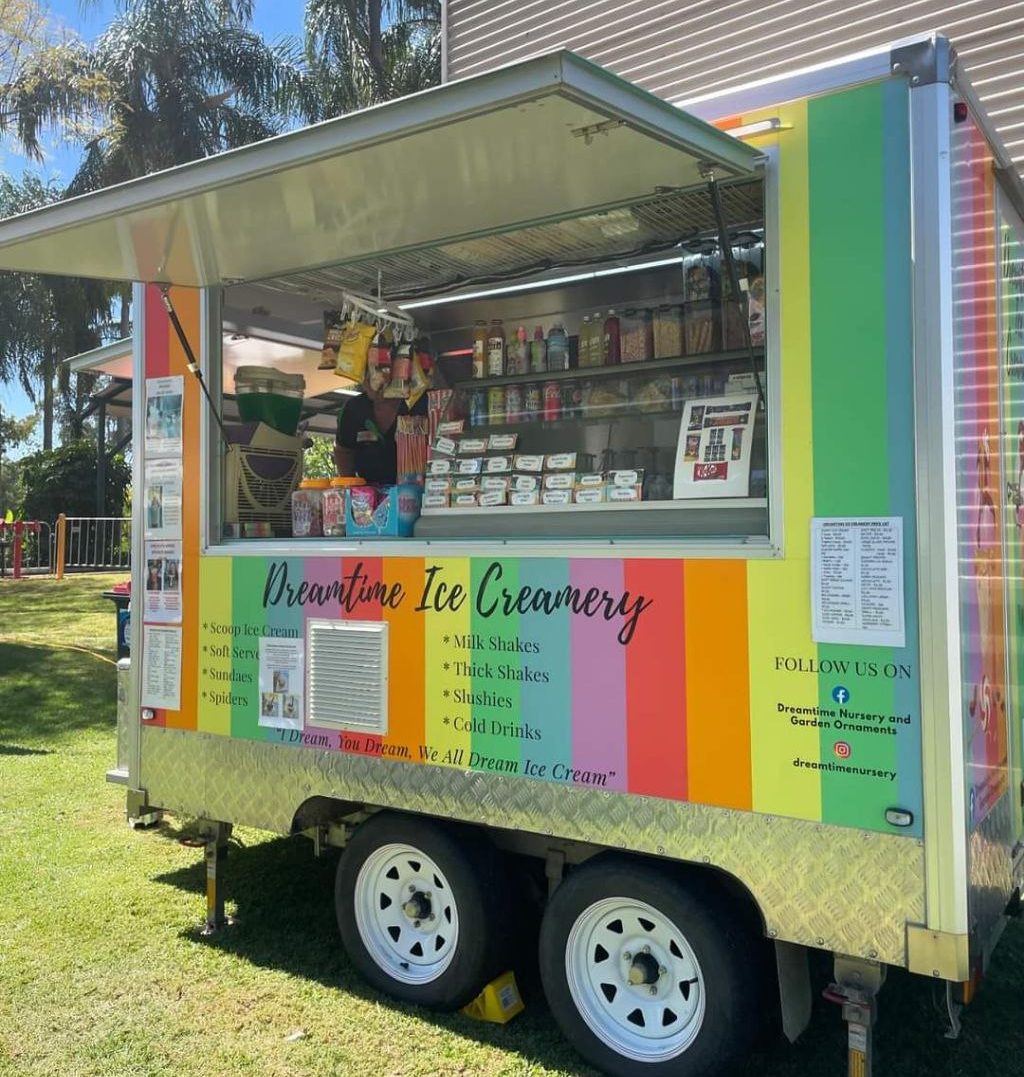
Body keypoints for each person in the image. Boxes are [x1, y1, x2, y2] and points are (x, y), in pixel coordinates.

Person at [334, 368, 427, 484]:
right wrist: (351, 488)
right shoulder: (354, 408)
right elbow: (344, 451)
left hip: (417, 490)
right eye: (367, 373)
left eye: (379, 370)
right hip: (368, 495)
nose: (373, 379)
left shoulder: (421, 403)